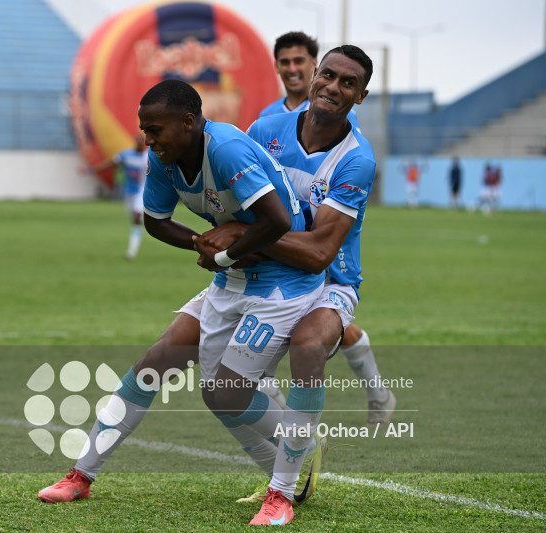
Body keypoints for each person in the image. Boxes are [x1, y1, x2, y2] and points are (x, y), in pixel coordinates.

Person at [39, 80, 326, 524]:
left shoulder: (227, 148)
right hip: (233, 277)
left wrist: (224, 253)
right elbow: (156, 222)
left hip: (281, 283)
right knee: (155, 363)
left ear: (189, 122)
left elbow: (278, 220)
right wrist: (202, 243)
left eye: (155, 130)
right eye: (144, 130)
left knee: (226, 393)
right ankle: (80, 475)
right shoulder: (163, 158)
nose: (148, 140)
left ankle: (292, 464)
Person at [193, 45, 382, 525]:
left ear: (360, 96)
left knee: (309, 346)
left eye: (348, 83)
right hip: (260, 275)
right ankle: (84, 471)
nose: (333, 88)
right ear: (316, 75)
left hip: (330, 283)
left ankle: (280, 491)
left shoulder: (355, 159)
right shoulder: (265, 130)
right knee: (200, 378)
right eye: (330, 75)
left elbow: (321, 252)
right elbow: (238, 210)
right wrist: (232, 240)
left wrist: (245, 236)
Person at [90, 133, 148, 259]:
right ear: (134, 141)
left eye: (142, 141)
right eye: (138, 140)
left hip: (141, 192)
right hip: (128, 193)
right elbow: (110, 164)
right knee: (137, 219)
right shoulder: (126, 155)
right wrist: (93, 169)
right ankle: (151, 221)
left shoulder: (148, 157)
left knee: (137, 219)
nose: (139, 143)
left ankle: (132, 252)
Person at [258, 32, 319, 118]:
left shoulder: (327, 110)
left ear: (313, 63)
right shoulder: (267, 115)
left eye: (298, 61)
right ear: (276, 66)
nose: (292, 69)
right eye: (285, 62)